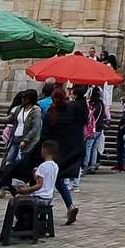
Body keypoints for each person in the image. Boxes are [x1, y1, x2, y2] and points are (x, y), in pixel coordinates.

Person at [44, 84, 86, 220]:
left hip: (52, 151)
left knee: (49, 180)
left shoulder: (52, 112)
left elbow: (45, 132)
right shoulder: (72, 110)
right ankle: (70, 207)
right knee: (58, 180)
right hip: (68, 151)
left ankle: (43, 208)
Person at [83, 87, 107, 171]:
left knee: (88, 147)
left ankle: (86, 164)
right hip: (99, 129)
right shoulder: (101, 105)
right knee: (94, 148)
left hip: (94, 129)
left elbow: (91, 117)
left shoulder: (96, 106)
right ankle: (92, 165)